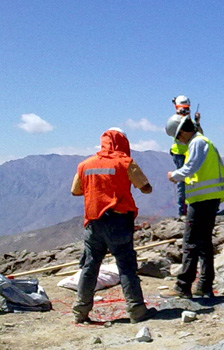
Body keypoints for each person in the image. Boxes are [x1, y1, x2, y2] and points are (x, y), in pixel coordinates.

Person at [70, 128, 157, 323]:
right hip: (118, 222)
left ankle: (80, 312)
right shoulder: (125, 162)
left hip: (93, 222)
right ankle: (136, 310)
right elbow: (146, 188)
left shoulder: (85, 165)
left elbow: (75, 191)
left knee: (90, 266)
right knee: (126, 266)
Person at [160, 116, 224, 298]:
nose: (178, 141)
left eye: (177, 137)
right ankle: (204, 285)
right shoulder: (202, 141)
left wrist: (174, 175)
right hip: (208, 198)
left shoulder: (197, 143)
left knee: (191, 241)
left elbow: (191, 167)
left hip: (202, 200)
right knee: (204, 243)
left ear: (182, 132)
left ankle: (183, 286)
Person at [166, 95, 203, 219]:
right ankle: (183, 211)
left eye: (187, 109)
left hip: (189, 153)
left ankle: (191, 208)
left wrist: (197, 122)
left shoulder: (190, 122)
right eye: (182, 108)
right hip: (179, 154)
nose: (185, 111)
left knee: (192, 180)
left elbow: (200, 135)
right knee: (182, 181)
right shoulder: (175, 121)